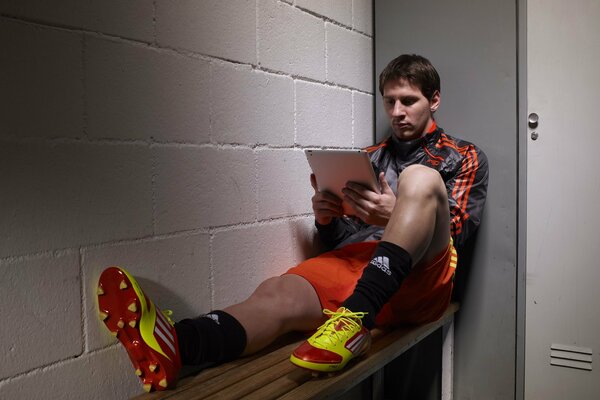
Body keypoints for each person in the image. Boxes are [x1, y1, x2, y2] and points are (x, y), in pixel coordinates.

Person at [97, 54, 488, 392]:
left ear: (434, 100)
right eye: (390, 102)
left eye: (408, 101)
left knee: (419, 178)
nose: (397, 112)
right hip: (361, 266)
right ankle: (177, 342)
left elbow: (457, 233)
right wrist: (326, 219)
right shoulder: (367, 158)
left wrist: (391, 213)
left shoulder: (465, 155)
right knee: (276, 293)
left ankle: (354, 320)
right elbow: (340, 243)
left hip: (422, 275)